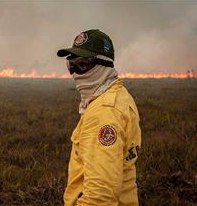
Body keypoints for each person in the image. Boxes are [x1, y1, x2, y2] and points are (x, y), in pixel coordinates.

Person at [57, 29, 142, 206]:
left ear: (103, 64)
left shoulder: (103, 114)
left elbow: (101, 196)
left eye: (81, 65)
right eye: (70, 64)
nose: (74, 72)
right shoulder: (119, 94)